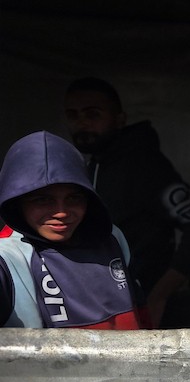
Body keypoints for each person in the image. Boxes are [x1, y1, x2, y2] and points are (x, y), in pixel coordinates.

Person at [63, 78, 190, 327]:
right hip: (106, 307)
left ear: (119, 119)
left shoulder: (145, 165)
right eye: (73, 115)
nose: (82, 123)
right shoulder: (91, 165)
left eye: (93, 114)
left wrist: (158, 296)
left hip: (144, 309)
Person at [1, 130, 142, 329]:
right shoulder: (8, 257)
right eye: (42, 200)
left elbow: (143, 317)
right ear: (17, 202)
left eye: (74, 198)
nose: (61, 212)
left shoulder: (111, 237)